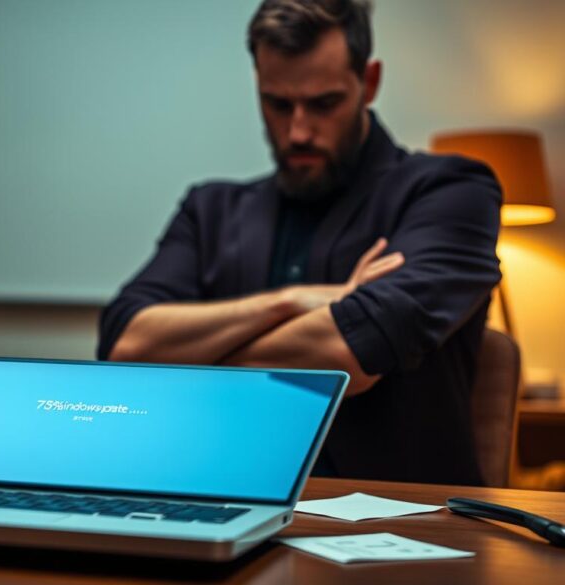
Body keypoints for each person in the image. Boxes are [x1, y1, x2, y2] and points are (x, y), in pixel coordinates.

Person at [98, 0, 501, 485]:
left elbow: (351, 354)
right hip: (220, 497)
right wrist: (291, 301)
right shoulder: (210, 209)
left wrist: (190, 362)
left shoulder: (451, 191)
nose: (298, 131)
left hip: (398, 517)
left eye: (324, 104)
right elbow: (125, 344)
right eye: (278, 104)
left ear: (369, 82)